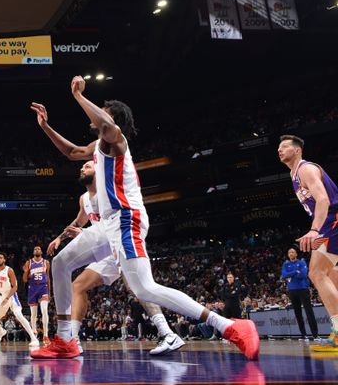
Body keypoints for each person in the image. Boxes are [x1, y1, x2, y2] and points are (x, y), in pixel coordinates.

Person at [30, 78, 259, 361]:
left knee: (144, 288)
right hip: (107, 225)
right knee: (61, 262)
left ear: (112, 118)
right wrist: (45, 127)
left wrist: (78, 96)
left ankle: (230, 326)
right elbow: (72, 152)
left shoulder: (117, 141)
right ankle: (65, 339)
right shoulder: (100, 145)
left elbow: (105, 125)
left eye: (103, 110)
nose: (98, 114)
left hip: (126, 219)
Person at [31, 112, 183, 357]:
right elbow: (72, 155)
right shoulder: (85, 197)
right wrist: (61, 237)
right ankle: (72, 339)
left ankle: (168, 332)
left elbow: (106, 219)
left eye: (88, 163)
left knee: (139, 287)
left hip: (119, 232)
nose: (85, 164)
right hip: (101, 242)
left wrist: (78, 97)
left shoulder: (108, 175)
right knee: (78, 285)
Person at [278, 134, 338, 351]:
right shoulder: (293, 175)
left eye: (284, 146)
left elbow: (323, 200)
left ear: (297, 150)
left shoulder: (306, 169)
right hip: (328, 223)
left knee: (316, 273)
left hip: (332, 220)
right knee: (331, 274)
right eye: (278, 147)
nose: (279, 150)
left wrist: (314, 229)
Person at [0, 253, 39, 349]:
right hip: (1, 297)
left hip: (11, 296)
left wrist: (8, 297)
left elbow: (15, 286)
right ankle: (1, 331)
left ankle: (33, 338)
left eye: (1, 258)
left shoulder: (9, 270)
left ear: (4, 260)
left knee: (19, 315)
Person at [281, 248, 318, 339]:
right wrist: (295, 272)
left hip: (303, 289)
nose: (291, 253)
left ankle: (315, 334)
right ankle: (303, 334)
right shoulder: (286, 264)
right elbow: (284, 275)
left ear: (296, 254)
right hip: (292, 291)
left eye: (293, 252)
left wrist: (291, 275)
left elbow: (304, 275)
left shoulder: (301, 262)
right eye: (289, 252)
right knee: (297, 313)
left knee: (308, 311)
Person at [23, 246, 51, 345]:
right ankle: (34, 335)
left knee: (44, 311)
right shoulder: (29, 262)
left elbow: (48, 278)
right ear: (33, 252)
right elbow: (25, 280)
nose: (37, 250)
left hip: (43, 288)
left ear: (41, 251)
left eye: (39, 249)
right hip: (32, 289)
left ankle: (46, 335)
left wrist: (49, 292)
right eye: (35, 249)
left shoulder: (46, 262)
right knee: (33, 314)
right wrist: (26, 271)